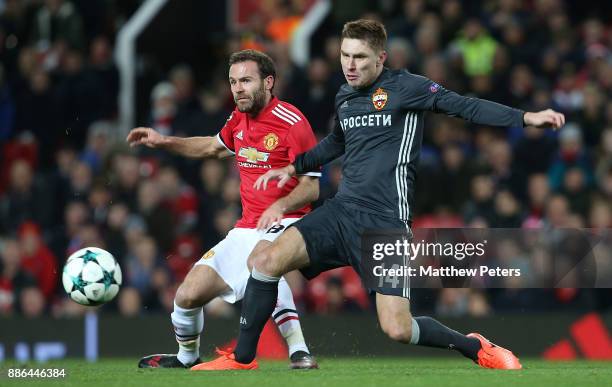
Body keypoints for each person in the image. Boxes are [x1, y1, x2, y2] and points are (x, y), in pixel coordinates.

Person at [193, 20, 565, 371]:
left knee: (397, 329)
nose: (349, 66)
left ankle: (472, 346)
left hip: (385, 223)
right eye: (344, 56)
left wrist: (526, 118)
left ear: (381, 58)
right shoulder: (345, 96)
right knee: (265, 260)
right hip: (341, 212)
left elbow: (465, 106)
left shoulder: (408, 88)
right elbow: (337, 141)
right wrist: (294, 166)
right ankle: (242, 358)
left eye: (359, 58)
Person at [127, 49, 321, 369]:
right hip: (246, 226)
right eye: (233, 82)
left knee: (263, 262)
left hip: (289, 221)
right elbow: (212, 147)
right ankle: (187, 357)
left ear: (268, 82)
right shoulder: (237, 119)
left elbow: (311, 186)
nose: (238, 89)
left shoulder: (293, 122)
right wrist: (164, 141)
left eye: (246, 80)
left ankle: (299, 350)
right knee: (187, 296)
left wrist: (279, 206)